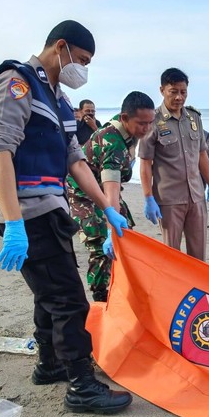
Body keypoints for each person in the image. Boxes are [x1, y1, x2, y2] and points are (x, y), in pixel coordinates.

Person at [0, 20, 133, 414]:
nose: (82, 68)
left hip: (53, 209)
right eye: (81, 60)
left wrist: (108, 208)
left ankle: (50, 364)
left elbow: (75, 160)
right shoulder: (18, 84)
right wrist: (13, 222)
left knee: (49, 294)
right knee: (69, 300)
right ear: (60, 47)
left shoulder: (60, 100)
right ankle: (82, 386)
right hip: (28, 214)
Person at [68, 91, 156, 302]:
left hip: (102, 187)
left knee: (127, 237)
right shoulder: (113, 144)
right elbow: (111, 192)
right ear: (125, 118)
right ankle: (101, 296)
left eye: (150, 123)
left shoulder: (128, 128)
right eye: (141, 124)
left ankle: (124, 286)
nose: (147, 128)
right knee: (101, 245)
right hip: (83, 194)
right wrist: (110, 231)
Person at [139, 67, 209, 261]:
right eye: (173, 92)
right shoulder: (153, 120)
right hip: (169, 199)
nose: (179, 97)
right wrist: (148, 197)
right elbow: (146, 163)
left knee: (198, 257)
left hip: (196, 196)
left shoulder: (194, 118)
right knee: (171, 256)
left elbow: (201, 154)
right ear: (162, 90)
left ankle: (197, 291)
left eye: (183, 92)